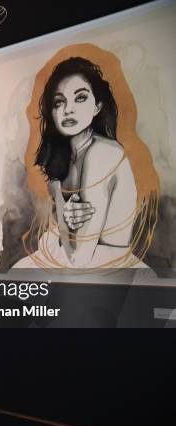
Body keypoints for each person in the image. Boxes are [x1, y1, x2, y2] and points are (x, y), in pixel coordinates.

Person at [17, 55, 158, 269]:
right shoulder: (60, 159)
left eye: (80, 98)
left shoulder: (102, 153)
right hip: (73, 257)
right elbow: (68, 240)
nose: (68, 109)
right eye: (59, 102)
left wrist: (64, 218)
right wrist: (65, 217)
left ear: (97, 106)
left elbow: (80, 257)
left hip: (106, 265)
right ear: (52, 111)